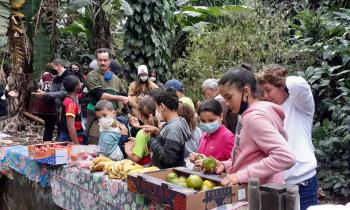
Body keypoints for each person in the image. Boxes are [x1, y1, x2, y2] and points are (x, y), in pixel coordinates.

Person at [216, 66, 295, 186]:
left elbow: (285, 157)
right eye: (224, 98)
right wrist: (226, 165)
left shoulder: (255, 119)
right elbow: (250, 156)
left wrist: (240, 176)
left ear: (246, 92)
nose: (226, 103)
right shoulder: (245, 115)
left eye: (229, 97)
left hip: (263, 197)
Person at [256, 64, 318, 210]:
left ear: (281, 85)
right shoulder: (268, 110)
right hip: (277, 183)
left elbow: (298, 83)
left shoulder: (300, 105)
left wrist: (280, 78)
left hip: (303, 181)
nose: (265, 95)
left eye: (268, 90)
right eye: (263, 91)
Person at [86, 48, 129, 145]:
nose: (102, 63)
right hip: (97, 116)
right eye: (100, 60)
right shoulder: (92, 75)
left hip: (113, 116)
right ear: (96, 61)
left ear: (110, 61)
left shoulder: (115, 78)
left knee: (114, 143)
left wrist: (127, 112)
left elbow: (124, 94)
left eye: (105, 60)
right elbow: (100, 95)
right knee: (95, 141)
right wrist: (121, 98)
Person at [141, 88, 192, 169]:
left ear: (162, 106)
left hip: (165, 175)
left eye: (156, 108)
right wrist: (157, 132)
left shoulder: (173, 128)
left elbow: (169, 160)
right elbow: (170, 143)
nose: (156, 112)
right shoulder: (180, 121)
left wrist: (152, 142)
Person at [32, 59, 73, 138]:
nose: (51, 69)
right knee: (59, 129)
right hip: (58, 108)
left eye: (52, 66)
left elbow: (64, 93)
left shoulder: (68, 77)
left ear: (57, 66)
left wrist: (46, 94)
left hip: (68, 107)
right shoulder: (56, 77)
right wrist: (43, 93)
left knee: (66, 129)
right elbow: (52, 91)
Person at [190, 99, 235, 164]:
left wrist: (210, 163)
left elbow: (235, 165)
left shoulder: (227, 137)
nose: (207, 124)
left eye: (211, 120)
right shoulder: (204, 134)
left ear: (221, 117)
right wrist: (196, 157)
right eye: (203, 121)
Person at [125, 96, 157, 165]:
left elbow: (136, 158)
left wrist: (127, 149)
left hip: (143, 167)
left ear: (139, 112)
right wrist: (137, 140)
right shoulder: (157, 127)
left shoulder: (142, 132)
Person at [31, 65, 57, 141]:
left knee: (49, 127)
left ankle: (47, 143)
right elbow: (49, 90)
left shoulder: (46, 76)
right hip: (47, 106)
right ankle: (47, 144)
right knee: (49, 127)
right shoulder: (47, 76)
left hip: (46, 105)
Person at [59, 75, 84, 144]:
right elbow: (70, 126)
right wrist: (76, 144)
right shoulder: (71, 104)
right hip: (70, 137)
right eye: (80, 83)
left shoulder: (69, 99)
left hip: (68, 135)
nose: (81, 84)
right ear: (77, 87)